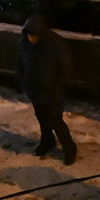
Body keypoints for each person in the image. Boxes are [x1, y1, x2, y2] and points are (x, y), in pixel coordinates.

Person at [16, 14, 76, 165]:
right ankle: (47, 141)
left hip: (52, 92)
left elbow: (66, 69)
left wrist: (56, 87)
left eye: (33, 36)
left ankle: (70, 148)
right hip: (35, 90)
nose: (31, 39)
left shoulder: (56, 45)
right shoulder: (25, 44)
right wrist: (23, 82)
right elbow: (20, 64)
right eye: (29, 35)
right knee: (42, 118)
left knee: (56, 120)